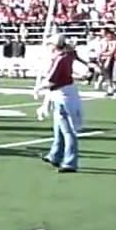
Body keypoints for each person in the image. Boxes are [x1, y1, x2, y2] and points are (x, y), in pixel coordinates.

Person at [37, 35, 81, 173]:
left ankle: (70, 162)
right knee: (59, 128)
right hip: (63, 94)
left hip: (63, 95)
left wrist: (38, 88)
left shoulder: (60, 58)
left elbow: (52, 81)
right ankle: (55, 155)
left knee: (68, 130)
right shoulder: (66, 56)